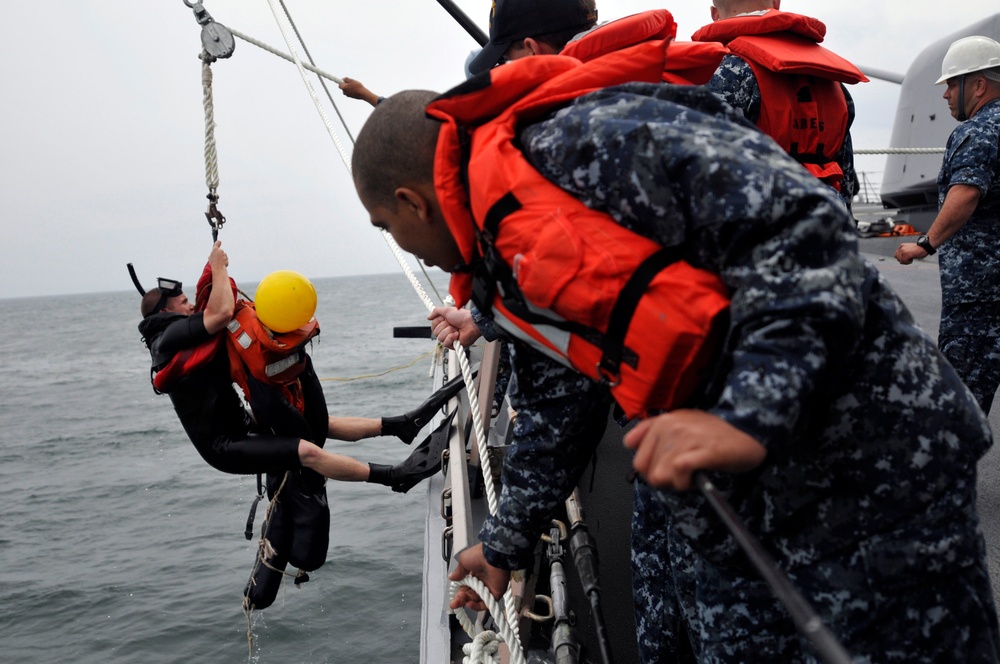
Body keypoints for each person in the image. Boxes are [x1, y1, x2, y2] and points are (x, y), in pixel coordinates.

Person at [349, 40, 999, 663]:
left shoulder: (590, 142)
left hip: (877, 467)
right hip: (753, 508)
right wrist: (505, 541)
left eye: (385, 226)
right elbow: (556, 406)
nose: (399, 241)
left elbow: (806, 225)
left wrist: (744, 414)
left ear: (411, 202)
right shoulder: (502, 269)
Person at [895, 35, 1000, 415]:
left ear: (978, 85)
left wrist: (924, 244)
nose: (945, 95)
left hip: (979, 291)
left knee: (958, 404)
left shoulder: (976, 131)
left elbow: (967, 192)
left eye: (951, 85)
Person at [691, 0, 867, 209]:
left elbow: (702, 169)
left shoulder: (720, 71)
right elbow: (844, 171)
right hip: (828, 220)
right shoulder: (830, 78)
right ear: (776, 3)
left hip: (756, 224)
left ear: (714, 14)